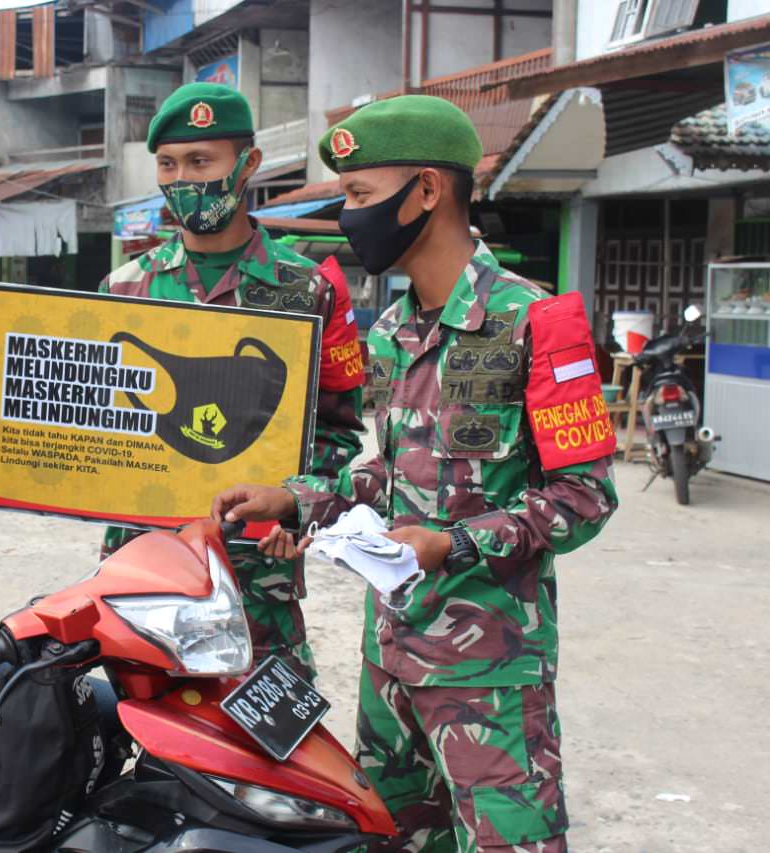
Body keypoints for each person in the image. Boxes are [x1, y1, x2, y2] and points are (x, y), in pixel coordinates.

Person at [211, 96, 618, 852]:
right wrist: (295, 501)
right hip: (390, 661)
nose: (350, 216)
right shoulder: (395, 332)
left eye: (362, 196)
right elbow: (392, 481)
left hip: (487, 676)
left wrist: (452, 547)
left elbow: (585, 497)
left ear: (427, 190)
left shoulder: (538, 322)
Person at [0, 83, 366, 682]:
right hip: (144, 577)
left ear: (247, 165)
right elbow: (90, 420)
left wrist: (295, 506)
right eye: (170, 164)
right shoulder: (123, 289)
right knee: (148, 753)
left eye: (203, 162)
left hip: (258, 578)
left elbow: (339, 436)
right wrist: (1, 417)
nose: (184, 179)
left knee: (268, 759)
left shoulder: (311, 291)